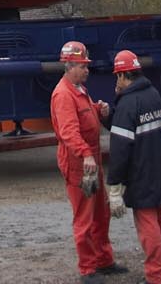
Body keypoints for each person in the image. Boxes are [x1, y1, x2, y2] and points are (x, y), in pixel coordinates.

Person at [105, 51, 161, 284]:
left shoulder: (127, 103)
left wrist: (114, 186)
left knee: (148, 226)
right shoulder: (153, 94)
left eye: (118, 77)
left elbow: (121, 148)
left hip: (140, 174)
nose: (116, 82)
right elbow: (139, 129)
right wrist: (111, 118)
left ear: (124, 75)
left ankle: (154, 277)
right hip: (159, 169)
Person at [49, 39, 123, 279]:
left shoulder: (78, 90)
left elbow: (83, 115)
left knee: (101, 213)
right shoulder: (63, 95)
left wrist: (96, 109)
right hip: (80, 165)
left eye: (86, 66)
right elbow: (68, 131)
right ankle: (88, 269)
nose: (87, 70)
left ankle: (104, 260)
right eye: (83, 66)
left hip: (90, 162)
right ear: (69, 66)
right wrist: (86, 154)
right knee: (85, 217)